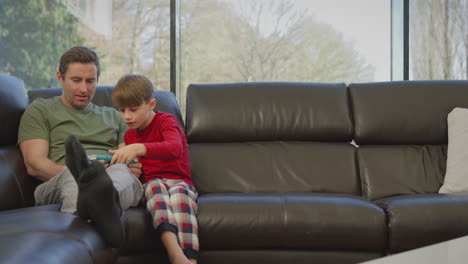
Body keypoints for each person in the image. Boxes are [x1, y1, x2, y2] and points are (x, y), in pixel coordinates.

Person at [17, 46, 143, 248]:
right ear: (60, 77)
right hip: (60, 180)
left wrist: (130, 165)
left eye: (90, 81)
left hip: (111, 176)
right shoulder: (40, 110)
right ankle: (105, 209)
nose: (84, 89)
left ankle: (96, 206)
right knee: (75, 174)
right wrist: (85, 176)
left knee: (121, 171)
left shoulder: (115, 116)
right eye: (76, 80)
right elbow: (35, 164)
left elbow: (128, 160)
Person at [110, 74, 198, 264]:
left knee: (179, 197)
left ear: (151, 104)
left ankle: (189, 260)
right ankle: (174, 252)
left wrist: (139, 148)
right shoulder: (130, 136)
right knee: (154, 188)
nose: (126, 116)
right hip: (151, 184)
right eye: (122, 110)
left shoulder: (166, 121)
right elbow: (140, 173)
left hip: (179, 182)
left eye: (133, 109)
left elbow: (175, 148)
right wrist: (131, 168)